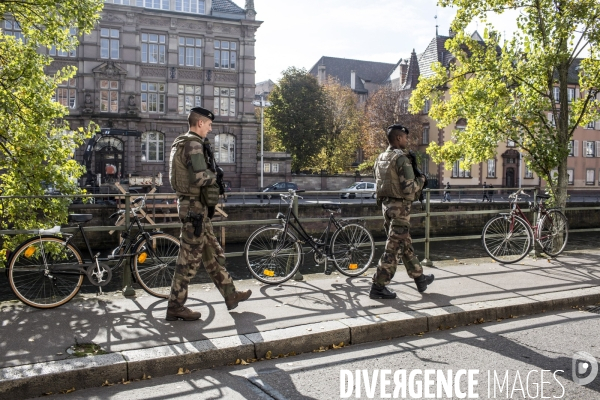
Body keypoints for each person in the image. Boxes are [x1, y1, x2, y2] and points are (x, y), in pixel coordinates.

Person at [166, 106, 251, 321]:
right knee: (188, 260)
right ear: (200, 123)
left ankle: (230, 295)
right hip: (194, 208)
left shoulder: (182, 141)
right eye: (209, 125)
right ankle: (175, 305)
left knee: (212, 253)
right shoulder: (193, 144)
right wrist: (217, 177)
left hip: (196, 209)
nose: (211, 129)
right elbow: (200, 177)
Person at [369, 124, 435, 299]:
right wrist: (422, 180)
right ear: (398, 138)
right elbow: (409, 188)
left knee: (404, 244)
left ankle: (420, 278)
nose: (407, 140)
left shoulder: (381, 157)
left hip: (387, 207)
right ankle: (378, 286)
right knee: (393, 248)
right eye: (405, 137)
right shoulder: (401, 159)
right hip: (400, 209)